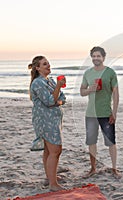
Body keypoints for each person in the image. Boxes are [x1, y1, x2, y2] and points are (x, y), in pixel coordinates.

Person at [80, 46, 120, 178]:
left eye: (98, 56)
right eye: (94, 56)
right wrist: (90, 89)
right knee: (91, 142)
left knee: (111, 142)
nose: (96, 58)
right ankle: (92, 168)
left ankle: (114, 169)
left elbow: (116, 94)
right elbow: (81, 92)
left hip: (106, 113)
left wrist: (114, 112)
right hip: (90, 114)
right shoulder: (88, 73)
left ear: (103, 57)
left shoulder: (110, 73)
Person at [28, 55, 66, 191]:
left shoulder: (49, 80)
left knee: (49, 150)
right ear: (37, 68)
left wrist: (57, 97)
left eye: (48, 63)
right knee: (55, 150)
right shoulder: (38, 83)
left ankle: (50, 177)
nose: (48, 66)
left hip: (54, 119)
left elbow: (62, 98)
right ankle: (53, 184)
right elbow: (50, 101)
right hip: (45, 121)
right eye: (44, 64)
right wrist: (58, 90)